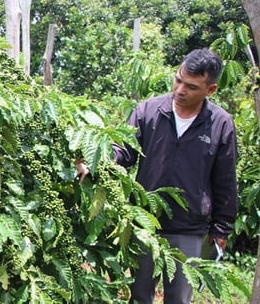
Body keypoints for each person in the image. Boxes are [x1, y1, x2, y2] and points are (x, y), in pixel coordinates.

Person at [76, 48, 238, 304]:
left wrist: (221, 229)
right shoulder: (148, 111)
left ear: (211, 90)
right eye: (178, 79)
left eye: (192, 87)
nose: (180, 90)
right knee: (140, 296)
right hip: (145, 224)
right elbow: (124, 150)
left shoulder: (220, 124)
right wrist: (96, 162)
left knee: (178, 299)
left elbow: (225, 180)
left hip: (189, 227)